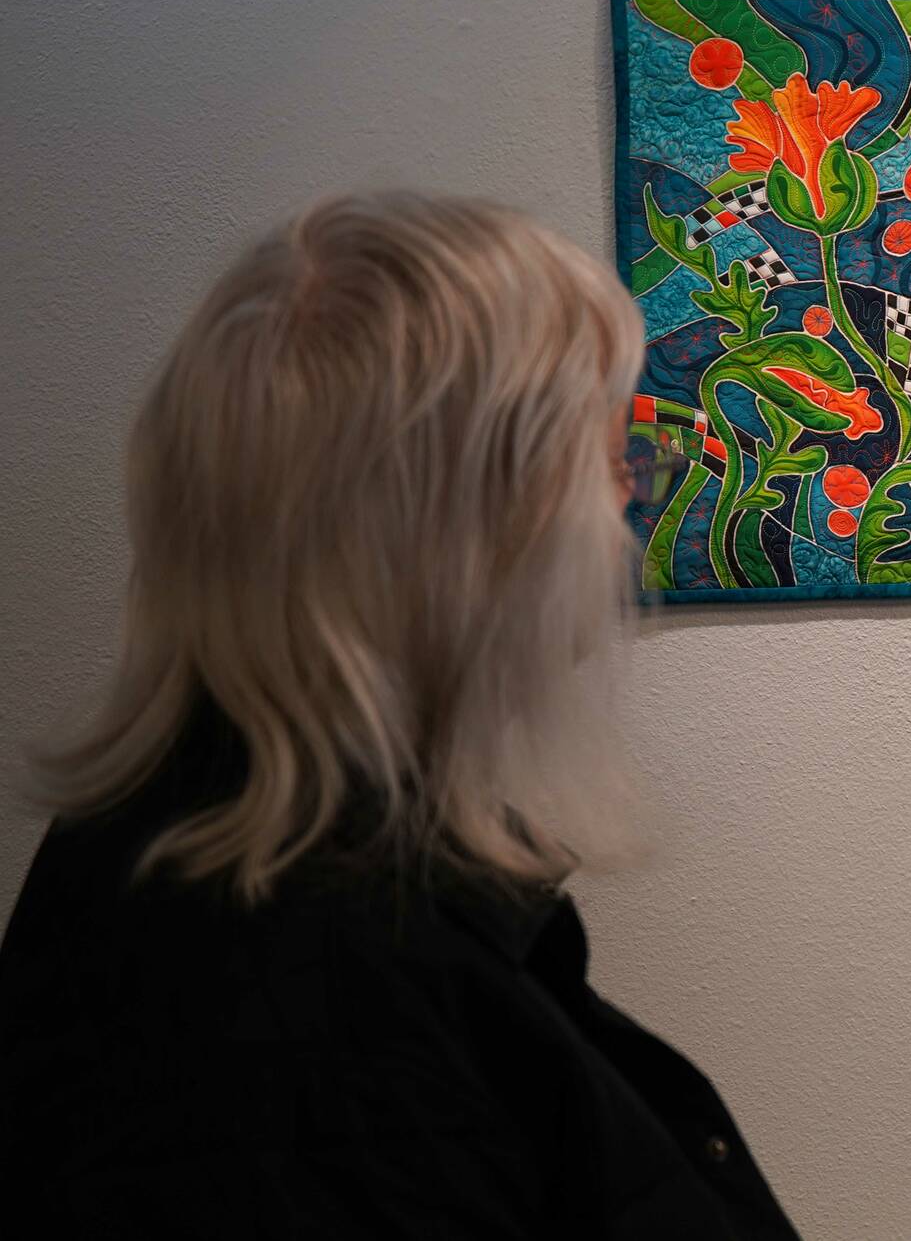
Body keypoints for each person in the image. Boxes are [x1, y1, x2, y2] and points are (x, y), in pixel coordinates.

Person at [0, 194, 799, 1238]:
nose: (626, 515)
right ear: (467, 535)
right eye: (609, 468)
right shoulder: (325, 1004)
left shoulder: (191, 843)